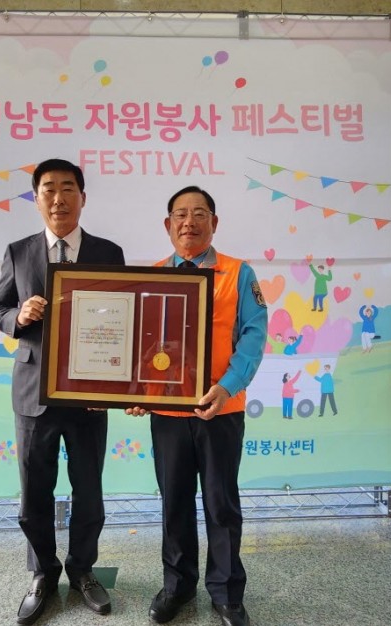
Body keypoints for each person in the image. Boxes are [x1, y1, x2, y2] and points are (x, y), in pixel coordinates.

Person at [0, 158, 125, 625]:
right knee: (34, 493)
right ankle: (42, 573)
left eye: (68, 188)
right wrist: (19, 316)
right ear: (36, 199)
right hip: (33, 393)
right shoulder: (19, 251)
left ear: (83, 198)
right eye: (48, 189)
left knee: (89, 490)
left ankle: (82, 569)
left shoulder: (109, 253)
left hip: (90, 393)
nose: (59, 198)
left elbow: (123, 316)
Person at [128, 185, 267, 626]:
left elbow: (253, 335)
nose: (189, 222)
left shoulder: (238, 273)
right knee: (174, 502)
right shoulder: (153, 277)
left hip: (220, 409)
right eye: (181, 214)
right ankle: (177, 586)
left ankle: (226, 593)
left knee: (221, 504)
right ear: (168, 225)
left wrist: (227, 387)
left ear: (214, 223)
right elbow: (141, 344)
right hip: (168, 415)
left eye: (200, 213)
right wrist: (137, 392)